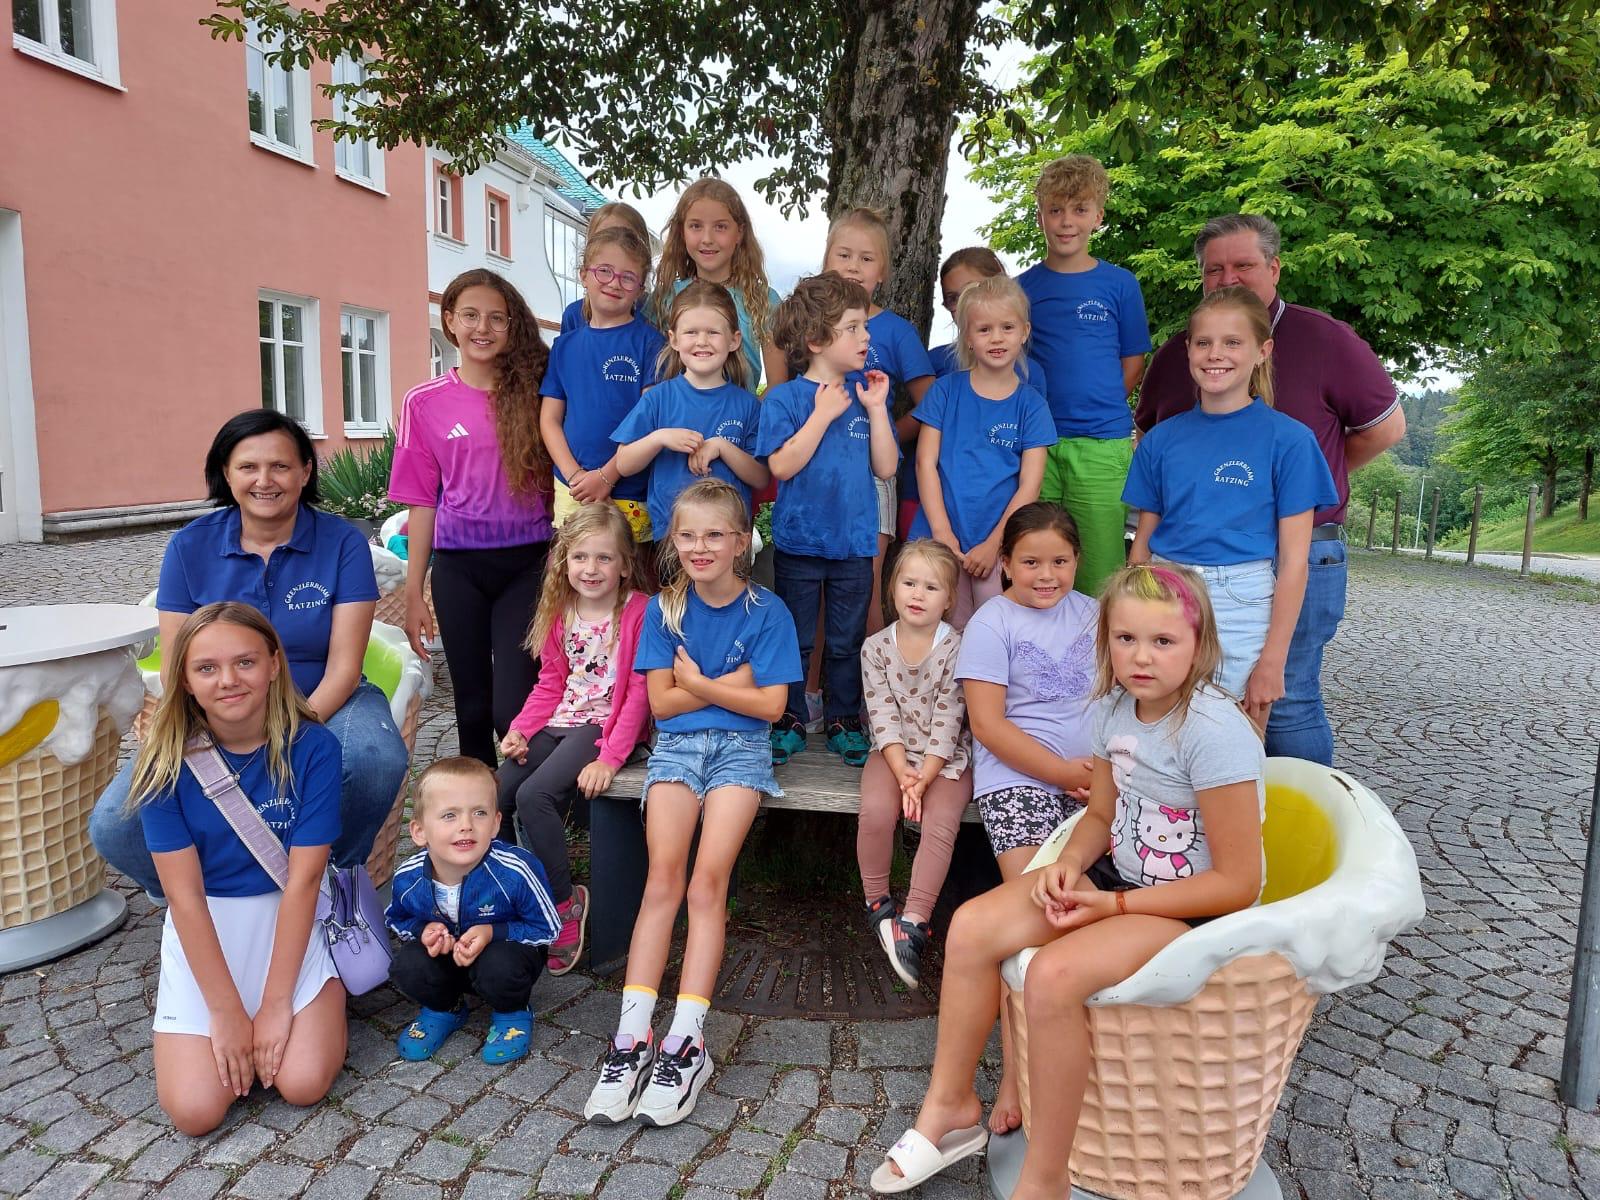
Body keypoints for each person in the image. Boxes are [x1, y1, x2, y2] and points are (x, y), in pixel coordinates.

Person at [872, 563, 1267, 1196]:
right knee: (972, 926)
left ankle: (1046, 1175)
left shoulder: (1214, 731)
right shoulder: (1115, 708)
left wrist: (1110, 905)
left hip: (1189, 907)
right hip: (1116, 879)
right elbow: (1103, 814)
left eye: (1163, 642)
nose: (1141, 657)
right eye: (1125, 639)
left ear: (1201, 645)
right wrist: (1070, 863)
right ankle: (950, 1104)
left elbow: (1240, 882)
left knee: (1053, 978)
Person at [90, 410, 406, 899]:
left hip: (323, 696)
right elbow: (179, 666)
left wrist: (283, 734)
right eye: (247, 467)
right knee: (115, 825)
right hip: (219, 707)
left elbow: (345, 666)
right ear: (225, 473)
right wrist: (219, 730)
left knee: (374, 761)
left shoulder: (341, 542)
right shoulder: (189, 547)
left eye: (280, 466)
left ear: (305, 472)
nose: (265, 480)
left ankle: (329, 885)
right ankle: (225, 893)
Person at [1134, 213, 1405, 764]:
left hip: (1294, 555)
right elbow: (1149, 443)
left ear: (1274, 269)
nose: (1229, 278)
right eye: (1215, 269)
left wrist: (1297, 491)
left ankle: (1290, 833)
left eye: (1244, 265)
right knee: (1178, 706)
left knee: (1286, 699)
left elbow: (1387, 429)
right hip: (1185, 566)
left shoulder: (1325, 341)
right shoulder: (1172, 357)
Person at [583, 479, 801, 1127]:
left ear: (741, 541)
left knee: (707, 885)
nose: (700, 546)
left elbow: (772, 707)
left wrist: (699, 682)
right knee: (662, 883)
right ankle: (631, 1040)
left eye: (714, 535)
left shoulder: (768, 611)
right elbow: (660, 704)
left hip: (742, 754)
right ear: (672, 541)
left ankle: (686, 1042)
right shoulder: (664, 610)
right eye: (687, 535)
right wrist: (729, 686)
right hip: (676, 752)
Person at [130, 603, 346, 1135]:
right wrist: (226, 1014)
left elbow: (305, 880)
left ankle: (329, 990)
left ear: (274, 664)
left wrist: (275, 1006)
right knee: (196, 1112)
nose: (228, 680)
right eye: (206, 668)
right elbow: (183, 898)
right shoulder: (163, 761)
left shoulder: (313, 746)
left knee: (302, 1083)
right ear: (183, 679)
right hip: (208, 928)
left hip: (288, 918)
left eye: (245, 662)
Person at [1125, 286, 1337, 728]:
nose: (1214, 354)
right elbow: (1142, 547)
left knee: (1233, 739)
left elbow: (1296, 563)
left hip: (1242, 602)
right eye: (1203, 342)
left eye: (1231, 343)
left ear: (1263, 351)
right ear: (1188, 350)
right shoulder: (1161, 439)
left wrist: (1273, 661)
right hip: (1164, 589)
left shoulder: (1291, 441)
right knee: (1156, 730)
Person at [953, 500, 1098, 1134]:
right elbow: (988, 724)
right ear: (1005, 563)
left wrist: (1105, 776)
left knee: (1087, 915)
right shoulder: (992, 621)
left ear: (1078, 562)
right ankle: (1016, 1073)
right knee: (1032, 919)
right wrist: (1066, 775)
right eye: (1031, 562)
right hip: (1019, 780)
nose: (1046, 575)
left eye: (1060, 561)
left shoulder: (1095, 615)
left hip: (1099, 784)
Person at [389, 268, 553, 767]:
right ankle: (484, 820)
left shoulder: (537, 393)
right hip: (459, 568)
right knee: (473, 705)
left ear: (512, 326)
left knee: (513, 705)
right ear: (449, 322)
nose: (483, 327)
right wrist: (414, 591)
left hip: (528, 565)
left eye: (497, 318)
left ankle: (527, 800)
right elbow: (422, 502)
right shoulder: (425, 402)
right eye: (471, 315)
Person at [497, 503, 650, 975]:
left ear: (625, 564)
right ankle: (509, 890)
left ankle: (564, 902)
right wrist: (522, 729)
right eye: (581, 557)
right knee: (494, 793)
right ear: (565, 562)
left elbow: (640, 693)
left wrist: (610, 757)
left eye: (604, 558)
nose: (591, 568)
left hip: (603, 728)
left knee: (535, 794)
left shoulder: (640, 611)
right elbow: (550, 683)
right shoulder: (562, 611)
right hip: (561, 720)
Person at [755, 273, 897, 768]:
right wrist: (820, 416)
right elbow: (780, 465)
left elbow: (886, 466)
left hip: (855, 545)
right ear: (817, 340)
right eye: (853, 328)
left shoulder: (865, 394)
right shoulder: (786, 400)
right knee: (794, 639)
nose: (866, 338)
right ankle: (789, 719)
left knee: (845, 641)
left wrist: (877, 411)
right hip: (798, 543)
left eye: (865, 327)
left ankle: (843, 720)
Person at [1017, 155, 1152, 597]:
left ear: (1098, 216)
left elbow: (1133, 360)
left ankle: (1100, 663)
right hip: (1038, 444)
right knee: (1038, 562)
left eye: (1078, 210)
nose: (1066, 221)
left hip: (1102, 444)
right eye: (1055, 210)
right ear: (1040, 217)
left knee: (1098, 568)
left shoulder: (1120, 284)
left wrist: (1100, 405)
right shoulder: (1023, 288)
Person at [387, 757, 561, 1065]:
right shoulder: (408, 876)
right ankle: (445, 1008)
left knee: (501, 966)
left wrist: (493, 931)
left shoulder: (516, 870)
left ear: (495, 823)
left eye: (479, 813)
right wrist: (423, 931)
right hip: (447, 959)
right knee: (407, 965)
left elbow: (548, 928)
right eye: (449, 815)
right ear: (419, 831)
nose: (466, 825)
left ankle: (512, 1012)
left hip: (501, 956)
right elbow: (397, 919)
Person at [858, 540, 973, 987]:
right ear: (892, 588)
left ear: (949, 600)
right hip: (892, 753)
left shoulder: (957, 647)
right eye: (909, 583)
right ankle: (878, 905)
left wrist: (924, 776)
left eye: (931, 587)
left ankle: (916, 920)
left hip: (943, 759)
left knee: (942, 821)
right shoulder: (876, 648)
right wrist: (901, 769)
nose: (918, 595)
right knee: (875, 812)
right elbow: (882, 713)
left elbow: (950, 714)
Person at [910, 275, 1056, 627]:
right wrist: (943, 533)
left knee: (993, 630)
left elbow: (1030, 486)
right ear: (967, 337)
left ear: (1024, 331)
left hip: (1001, 543)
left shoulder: (1031, 405)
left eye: (1007, 327)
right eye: (984, 329)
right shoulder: (945, 391)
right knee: (940, 631)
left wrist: (995, 544)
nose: (996, 338)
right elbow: (924, 463)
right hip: (940, 538)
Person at [822, 208, 937, 633]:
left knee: (865, 587)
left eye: (866, 259)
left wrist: (884, 434)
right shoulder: (809, 326)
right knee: (819, 589)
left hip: (874, 474)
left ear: (883, 271)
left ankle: (876, 693)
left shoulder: (896, 331)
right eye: (844, 255)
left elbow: (930, 404)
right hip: (819, 471)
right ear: (827, 260)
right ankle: (814, 693)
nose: (853, 266)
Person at [612, 279, 770, 548]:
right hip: (673, 540)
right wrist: (659, 438)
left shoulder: (748, 405)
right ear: (673, 339)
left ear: (734, 340)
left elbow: (761, 477)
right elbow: (623, 463)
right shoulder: (658, 399)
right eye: (691, 332)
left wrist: (722, 447)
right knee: (674, 593)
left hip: (729, 542)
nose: (702, 341)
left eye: (712, 332)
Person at [539, 226, 664, 547]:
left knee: (631, 583)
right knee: (574, 580)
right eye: (604, 271)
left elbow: (649, 423)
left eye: (627, 277)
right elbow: (550, 419)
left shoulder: (652, 344)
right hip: (573, 489)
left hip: (629, 490)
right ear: (584, 275)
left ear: (640, 288)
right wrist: (576, 477)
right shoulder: (564, 347)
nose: (614, 283)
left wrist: (607, 476)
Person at [648, 178, 783, 390]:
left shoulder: (763, 300)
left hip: (742, 421)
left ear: (739, 232)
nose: (707, 238)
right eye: (695, 226)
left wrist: (750, 418)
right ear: (681, 232)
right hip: (675, 420)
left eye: (720, 227)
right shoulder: (664, 298)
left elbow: (778, 385)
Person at [559, 202, 653, 334]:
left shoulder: (654, 313)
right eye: (604, 236)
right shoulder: (574, 315)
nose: (615, 242)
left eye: (626, 237)